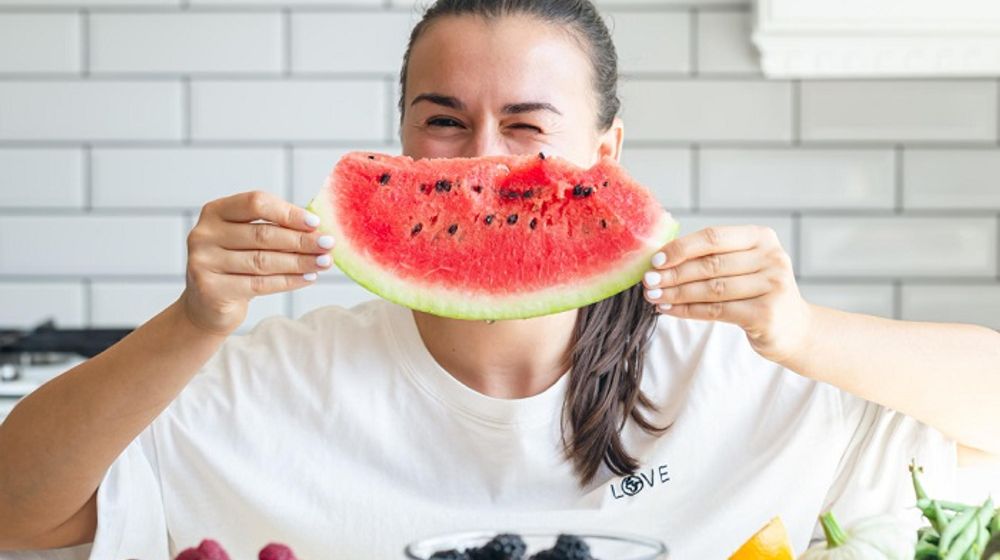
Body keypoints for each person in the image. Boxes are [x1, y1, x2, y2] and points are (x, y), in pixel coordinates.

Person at [1, 0, 998, 558]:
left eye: (526, 125)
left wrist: (800, 331)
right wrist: (190, 320)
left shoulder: (738, 375)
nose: (481, 159)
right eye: (443, 120)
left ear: (607, 152)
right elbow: (17, 511)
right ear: (398, 139)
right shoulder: (269, 382)